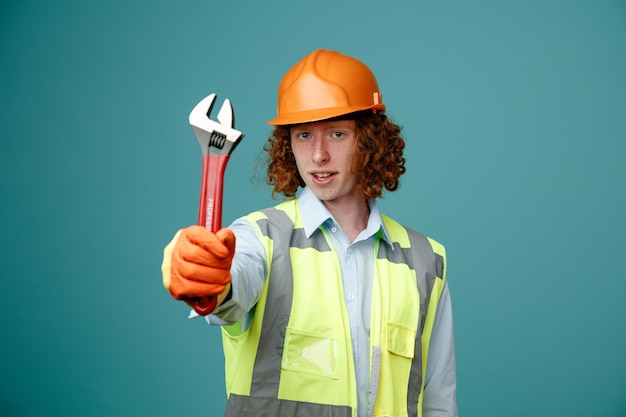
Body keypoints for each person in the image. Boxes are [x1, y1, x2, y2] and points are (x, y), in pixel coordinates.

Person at [162, 49, 457, 417]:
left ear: (369, 141)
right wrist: (207, 277)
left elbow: (439, 402)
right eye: (303, 135)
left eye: (336, 133)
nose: (318, 155)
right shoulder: (259, 238)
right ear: (288, 145)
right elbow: (230, 287)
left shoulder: (426, 260)